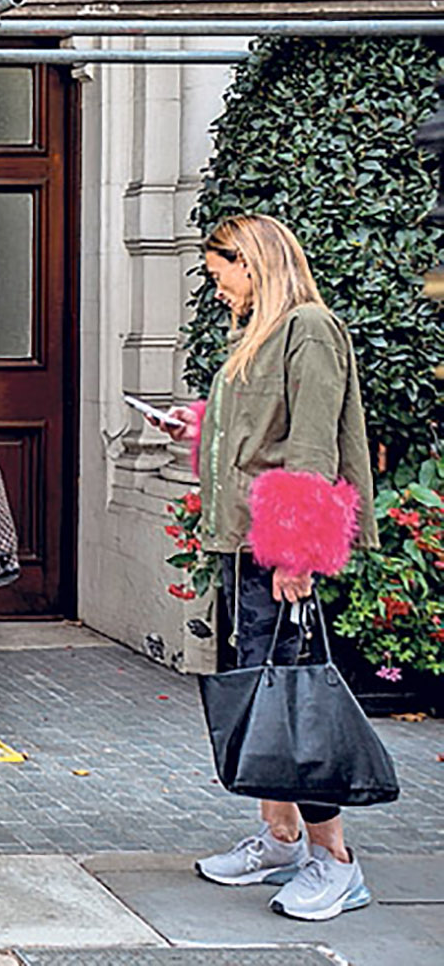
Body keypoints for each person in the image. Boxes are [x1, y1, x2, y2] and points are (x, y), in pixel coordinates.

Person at [161, 214, 378, 922]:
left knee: (293, 703)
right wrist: (197, 425)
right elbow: (261, 432)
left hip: (276, 550)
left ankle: (335, 862)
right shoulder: (261, 334)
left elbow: (311, 448)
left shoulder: (309, 329)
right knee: (264, 696)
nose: (215, 283)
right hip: (248, 546)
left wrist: (295, 555)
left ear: (251, 262)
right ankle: (281, 838)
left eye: (218, 268)